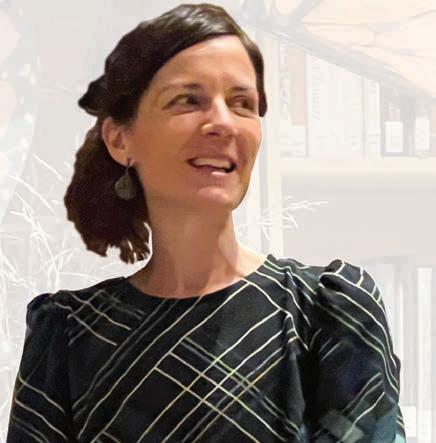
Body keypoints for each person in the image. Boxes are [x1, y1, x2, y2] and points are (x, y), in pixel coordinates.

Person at [7, 3, 406, 442]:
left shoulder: (328, 313)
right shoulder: (67, 336)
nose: (222, 123)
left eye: (242, 103)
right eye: (188, 100)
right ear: (120, 139)